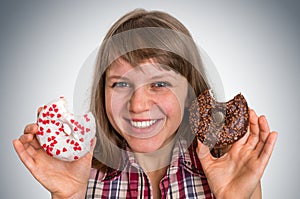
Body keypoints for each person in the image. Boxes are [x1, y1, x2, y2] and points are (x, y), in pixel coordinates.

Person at [13, 9, 278, 199]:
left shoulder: (230, 170)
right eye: (121, 84)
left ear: (189, 93)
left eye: (160, 84)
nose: (138, 105)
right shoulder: (80, 176)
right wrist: (68, 197)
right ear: (102, 91)